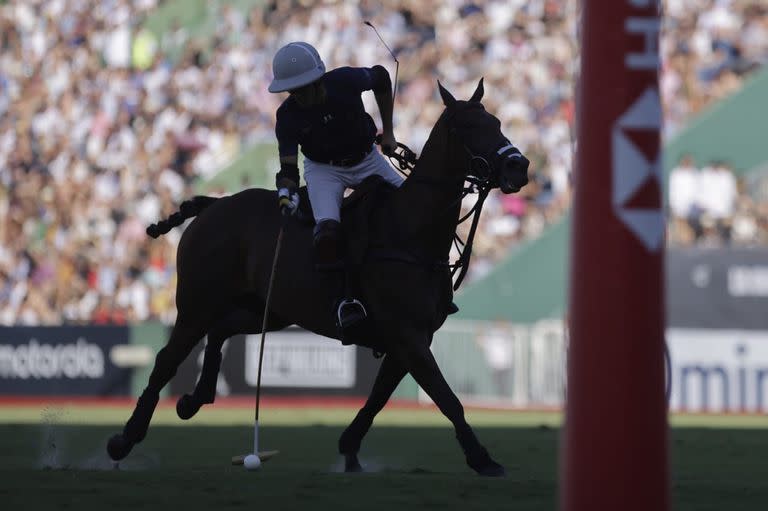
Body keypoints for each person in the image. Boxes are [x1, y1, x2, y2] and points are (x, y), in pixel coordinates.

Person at [267, 41, 404, 333]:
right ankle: (344, 303)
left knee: (414, 204)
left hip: (368, 159)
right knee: (327, 234)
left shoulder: (346, 80)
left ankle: (426, 279)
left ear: (319, 78)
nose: (300, 95)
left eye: (305, 87)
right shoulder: (288, 117)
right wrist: (286, 193)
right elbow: (289, 168)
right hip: (324, 170)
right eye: (294, 90)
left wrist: (389, 131)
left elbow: (381, 76)